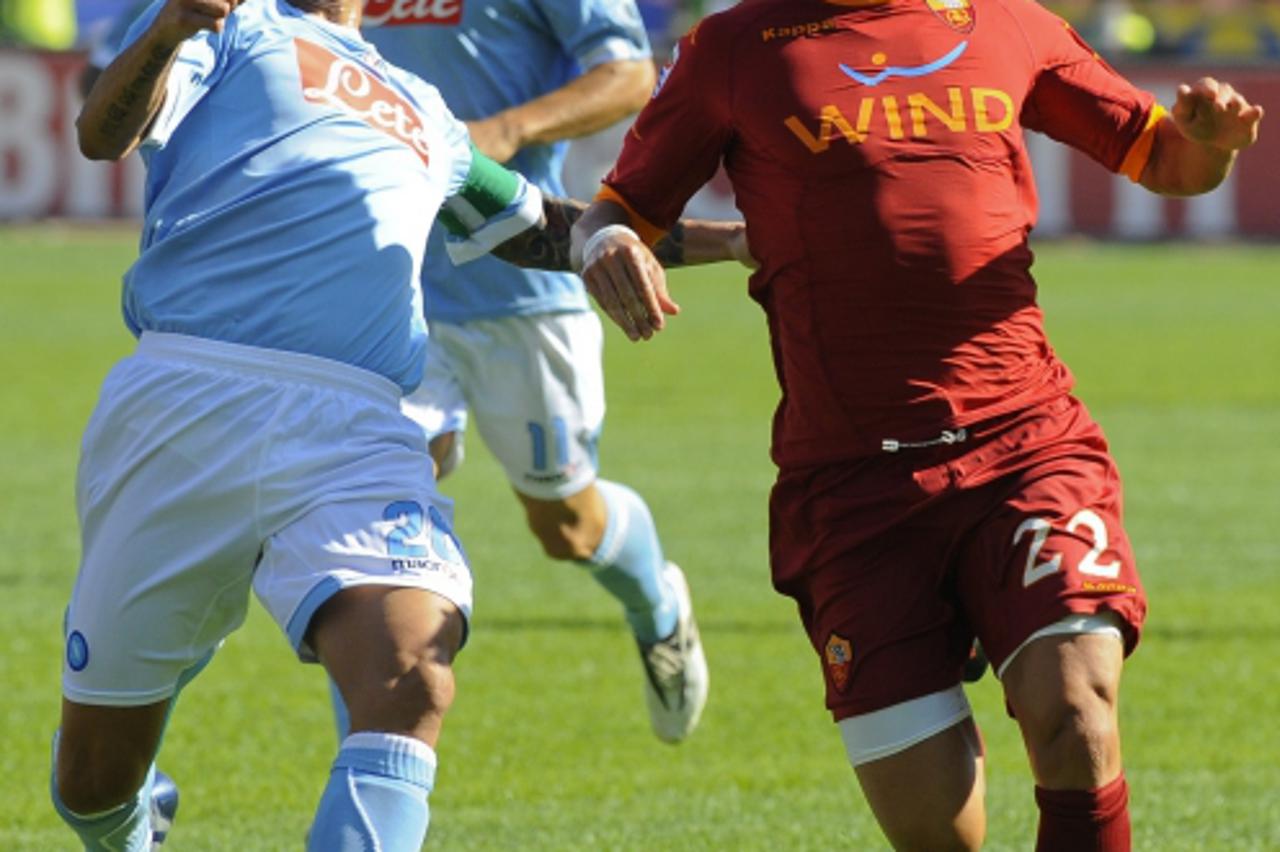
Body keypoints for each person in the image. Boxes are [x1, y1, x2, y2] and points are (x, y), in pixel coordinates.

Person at [571, 1, 1263, 849]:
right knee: (941, 833)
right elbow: (617, 209)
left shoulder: (1008, 23)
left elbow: (1167, 161)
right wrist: (606, 245)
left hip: (1026, 445)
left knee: (1077, 715)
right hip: (853, 489)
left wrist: (1211, 148)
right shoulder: (732, 47)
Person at [61, 0, 744, 849]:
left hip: (357, 421)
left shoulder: (420, 104)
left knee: (413, 675)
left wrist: (727, 241)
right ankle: (130, 820)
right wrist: (166, 30)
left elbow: (535, 227)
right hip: (186, 404)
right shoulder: (231, 29)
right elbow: (103, 135)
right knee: (90, 790)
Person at [357, 0, 715, 744]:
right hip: (387, 289)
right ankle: (372, 754)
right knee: (372, 523)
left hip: (521, 295)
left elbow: (626, 75)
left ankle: (656, 605)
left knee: (567, 527)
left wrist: (506, 131)